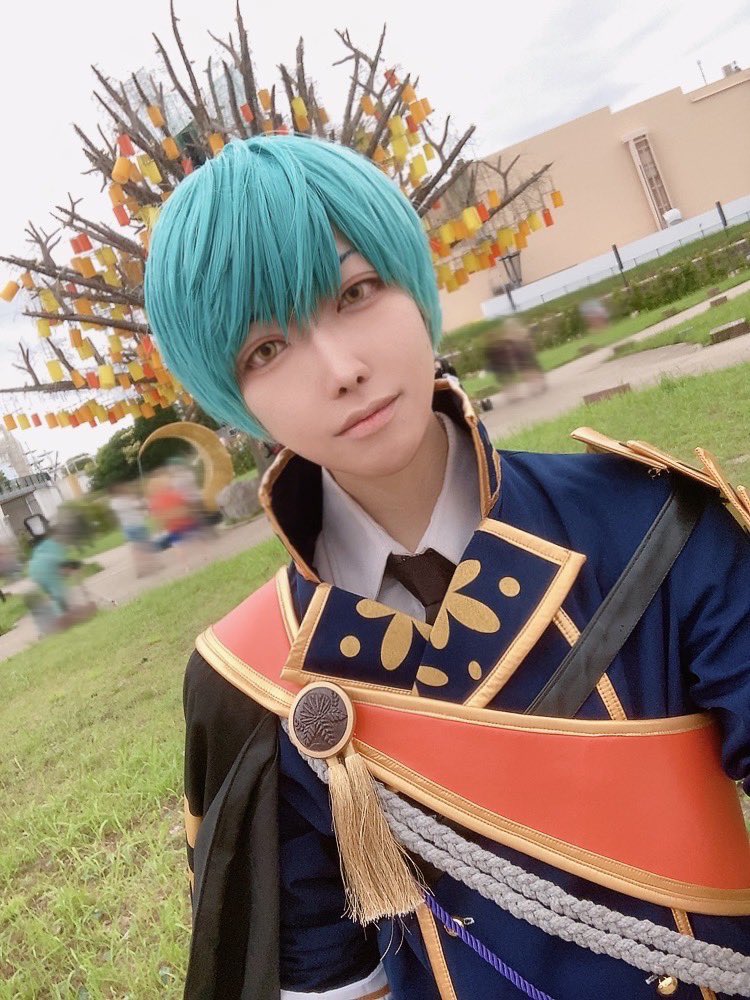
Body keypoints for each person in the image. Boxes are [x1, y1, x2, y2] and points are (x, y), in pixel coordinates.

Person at [144, 135, 750, 1000]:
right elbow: (330, 978)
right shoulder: (250, 682)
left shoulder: (658, 526)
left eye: (356, 292)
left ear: (413, 284)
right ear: (232, 397)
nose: (342, 370)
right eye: (266, 350)